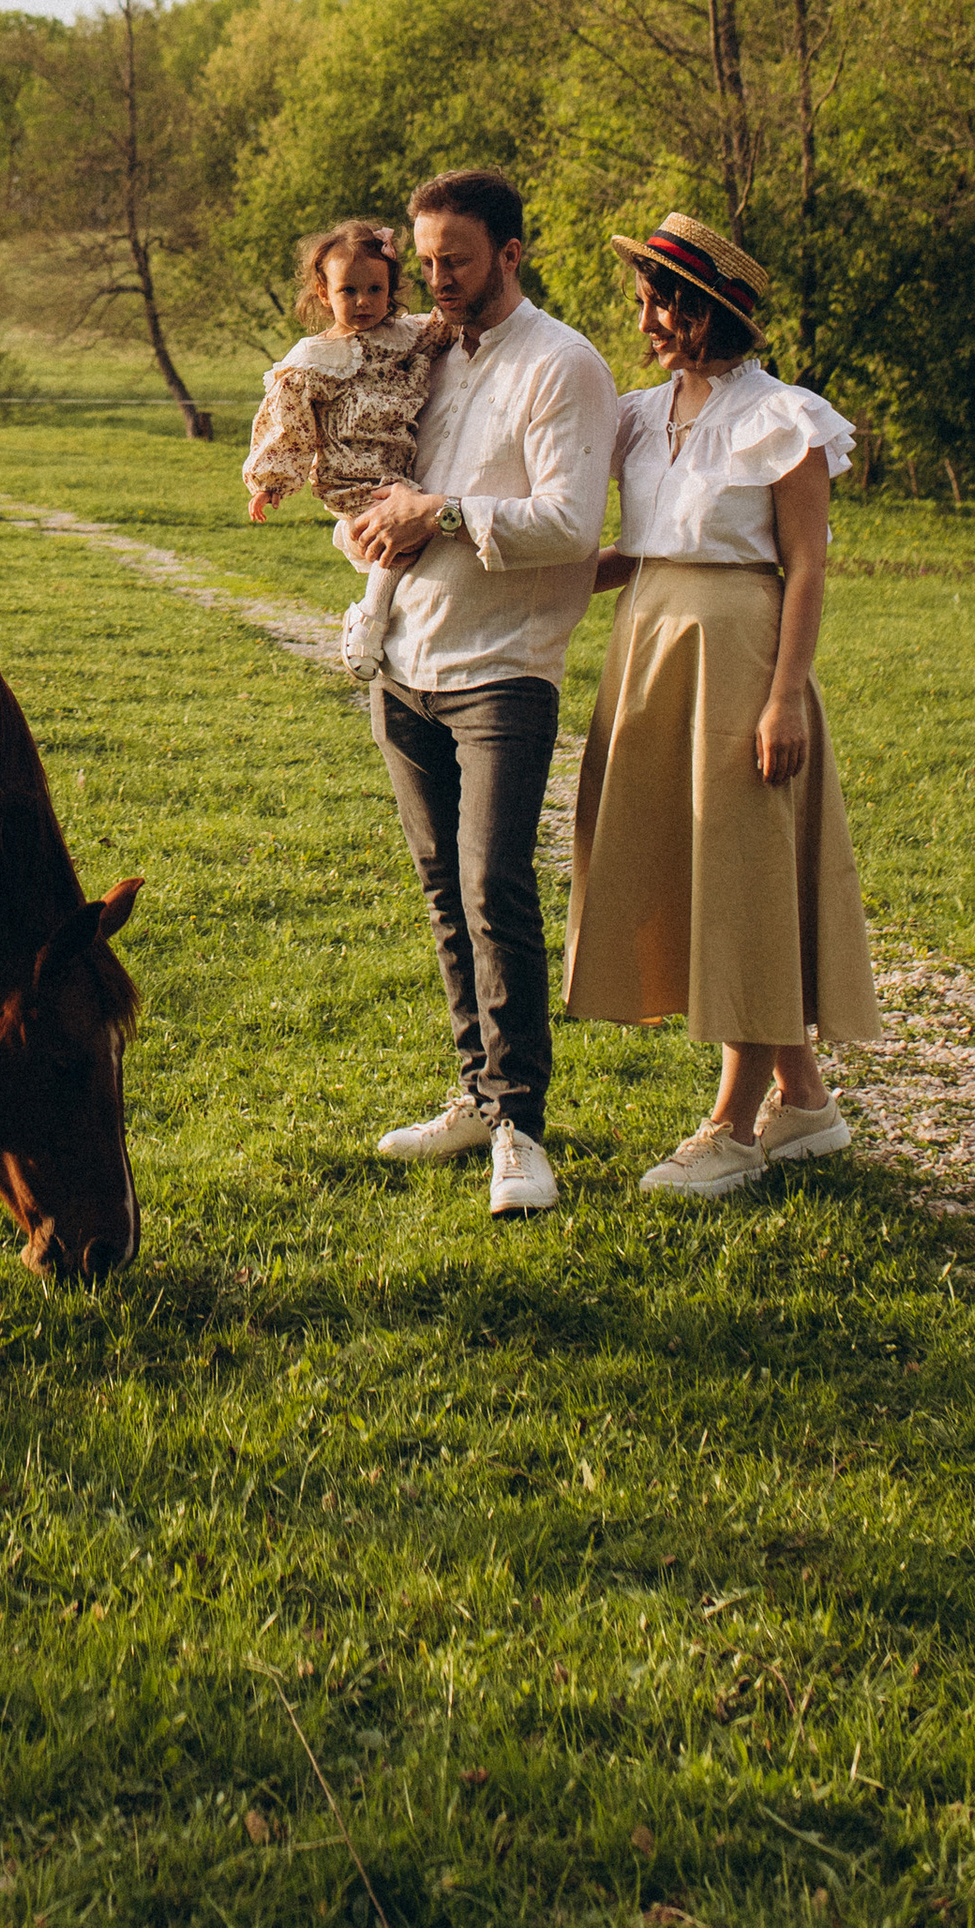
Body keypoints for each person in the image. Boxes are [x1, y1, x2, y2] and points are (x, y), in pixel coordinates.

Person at [564, 213, 881, 1200]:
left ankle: (732, 1128)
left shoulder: (783, 418)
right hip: (652, 648)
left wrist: (784, 699)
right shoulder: (635, 414)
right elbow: (645, 546)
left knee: (740, 880)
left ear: (710, 312)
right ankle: (805, 1105)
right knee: (698, 872)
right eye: (646, 300)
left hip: (739, 656)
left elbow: (809, 568)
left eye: (664, 302)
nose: (647, 318)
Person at [339, 170, 619, 1220]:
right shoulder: (422, 355)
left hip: (502, 669)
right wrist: (367, 524)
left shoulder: (564, 365)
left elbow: (568, 524)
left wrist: (439, 514)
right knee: (442, 898)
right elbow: (375, 488)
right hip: (402, 662)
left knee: (496, 892)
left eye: (455, 258)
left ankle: (521, 1130)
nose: (436, 279)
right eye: (425, 262)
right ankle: (472, 1095)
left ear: (512, 250)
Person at [242, 220, 449, 686]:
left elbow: (445, 331)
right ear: (323, 292)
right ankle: (368, 617)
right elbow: (288, 424)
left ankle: (355, 548)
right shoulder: (314, 360)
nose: (363, 301)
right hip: (350, 472)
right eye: (348, 290)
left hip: (396, 462)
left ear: (392, 287)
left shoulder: (404, 337)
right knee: (403, 537)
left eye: (376, 288)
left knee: (410, 528)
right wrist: (270, 482)